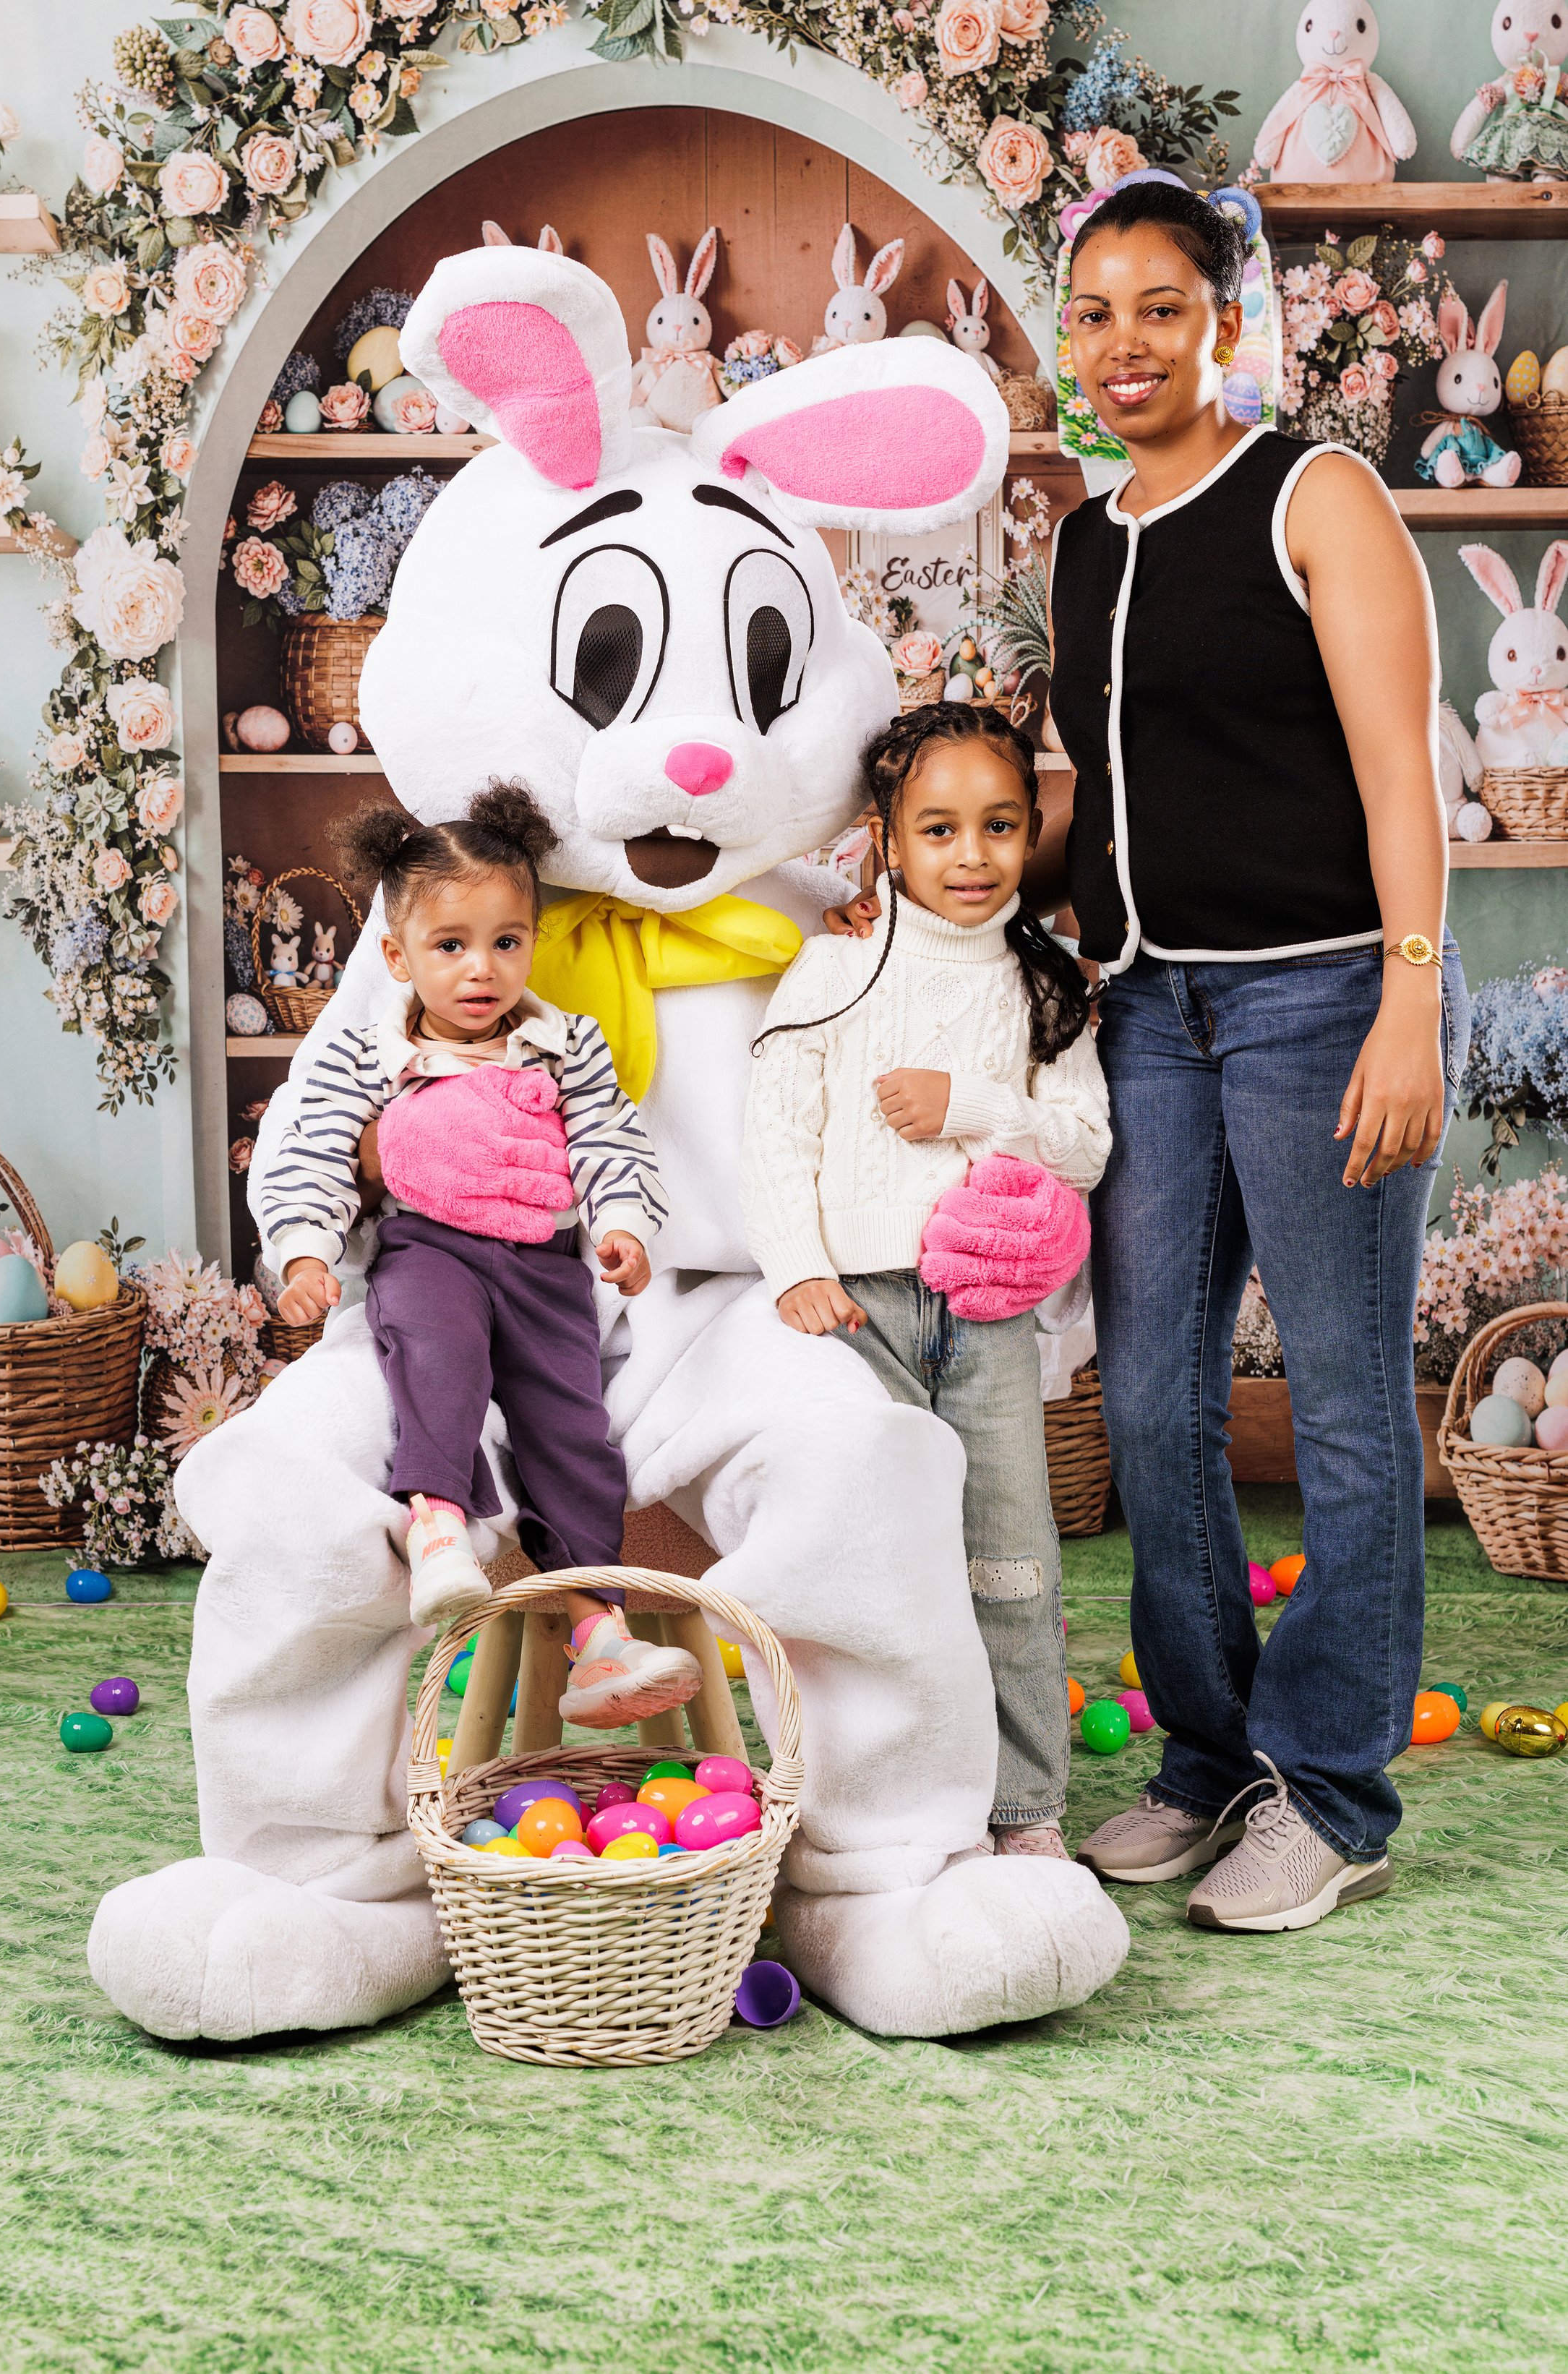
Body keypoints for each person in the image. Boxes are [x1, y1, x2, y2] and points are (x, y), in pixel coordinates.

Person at [1046, 176, 1466, 1929]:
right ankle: (1212, 1753)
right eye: (1092, 312)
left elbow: (1395, 770)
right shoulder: (1081, 538)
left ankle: (1333, 1792)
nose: (1123, 344)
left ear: (1222, 317)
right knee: (1150, 1404)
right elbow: (1106, 787)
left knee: (1346, 1409)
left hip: (1319, 999)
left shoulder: (1314, 493)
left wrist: (1408, 999)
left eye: (1159, 306)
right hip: (1147, 1011)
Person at [256, 779, 702, 1730]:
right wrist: (303, 1254)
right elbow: (313, 1149)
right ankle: (437, 1523)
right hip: (431, 1252)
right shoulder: (369, 1054)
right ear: (398, 956)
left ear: (532, 943)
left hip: (545, 1267)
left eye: (507, 942)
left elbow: (611, 1139)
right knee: (439, 1354)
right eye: (450, 946)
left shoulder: (565, 1045)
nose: (481, 970)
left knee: (572, 1430)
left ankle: (598, 1630)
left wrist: (624, 1224)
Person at [743, 702, 1109, 1858]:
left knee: (1010, 1564)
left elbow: (1085, 1146)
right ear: (887, 841)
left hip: (987, 1317)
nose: (971, 855)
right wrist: (799, 1269)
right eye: (938, 829)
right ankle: (889, 1805)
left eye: (999, 826)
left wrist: (974, 1107)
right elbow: (776, 1130)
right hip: (859, 1313)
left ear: (1030, 832)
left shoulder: (1045, 983)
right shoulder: (837, 964)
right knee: (881, 1565)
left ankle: (1026, 1809)